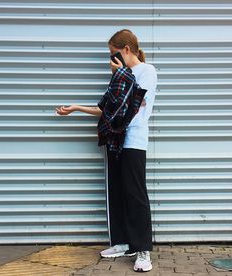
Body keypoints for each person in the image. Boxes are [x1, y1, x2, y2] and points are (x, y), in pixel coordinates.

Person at [55, 29, 157, 273]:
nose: (111, 59)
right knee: (117, 192)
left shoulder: (147, 71)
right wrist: (76, 108)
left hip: (133, 139)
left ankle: (142, 250)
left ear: (126, 50)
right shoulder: (120, 75)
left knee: (135, 194)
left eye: (113, 53)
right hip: (115, 140)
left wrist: (120, 73)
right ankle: (123, 242)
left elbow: (134, 102)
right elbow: (108, 108)